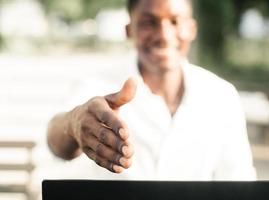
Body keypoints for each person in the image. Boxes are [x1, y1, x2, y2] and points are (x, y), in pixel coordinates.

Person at [47, 0, 256, 180]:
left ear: (192, 29)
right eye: (149, 22)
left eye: (175, 21)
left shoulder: (222, 95)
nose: (164, 35)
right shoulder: (98, 86)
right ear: (130, 30)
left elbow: (238, 179)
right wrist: (73, 124)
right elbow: (54, 141)